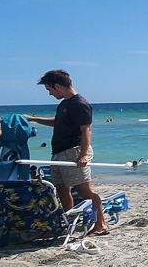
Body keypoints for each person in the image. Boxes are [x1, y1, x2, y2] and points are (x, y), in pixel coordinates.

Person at [23, 70, 109, 236]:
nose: (49, 93)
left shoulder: (79, 103)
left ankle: (101, 224)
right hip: (58, 153)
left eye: (50, 90)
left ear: (58, 86)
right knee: (62, 189)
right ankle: (69, 223)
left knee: (86, 191)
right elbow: (59, 123)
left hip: (73, 152)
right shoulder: (64, 103)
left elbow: (86, 130)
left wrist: (83, 155)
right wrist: (34, 119)